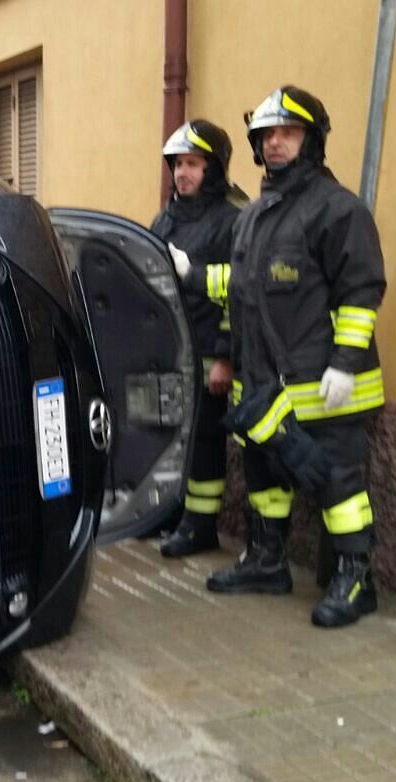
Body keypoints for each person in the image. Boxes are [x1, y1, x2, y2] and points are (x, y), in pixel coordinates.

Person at [207, 85, 388, 629]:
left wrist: (345, 365)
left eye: (288, 133)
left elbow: (361, 292)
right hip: (262, 387)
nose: (275, 143)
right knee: (264, 476)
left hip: (323, 387)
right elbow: (239, 293)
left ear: (311, 141)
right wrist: (225, 352)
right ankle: (266, 562)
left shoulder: (339, 209)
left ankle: (356, 581)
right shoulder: (251, 216)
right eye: (267, 135)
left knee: (338, 483)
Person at [150, 119, 243, 558]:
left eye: (193, 164)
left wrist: (225, 356)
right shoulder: (165, 219)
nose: (182, 173)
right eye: (177, 164)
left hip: (207, 350)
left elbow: (239, 295)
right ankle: (173, 512)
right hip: (169, 350)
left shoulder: (232, 221)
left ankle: (201, 525)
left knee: (204, 439)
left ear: (214, 169)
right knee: (171, 436)